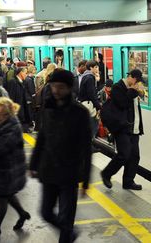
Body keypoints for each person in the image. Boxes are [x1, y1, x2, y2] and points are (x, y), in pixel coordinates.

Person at [30, 69, 92, 243]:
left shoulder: (80, 113)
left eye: (60, 87)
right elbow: (41, 138)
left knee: (66, 218)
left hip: (69, 173)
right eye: (53, 86)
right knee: (45, 212)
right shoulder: (48, 107)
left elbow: (86, 148)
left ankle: (67, 235)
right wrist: (33, 164)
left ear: (70, 88)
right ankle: (69, 233)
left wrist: (85, 181)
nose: (56, 90)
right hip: (48, 170)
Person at [0, 97, 30, 243]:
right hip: (1, 168)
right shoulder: (0, 123)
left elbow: (0, 148)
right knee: (7, 195)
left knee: (3, 196)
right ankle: (22, 214)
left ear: (7, 115)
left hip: (10, 169)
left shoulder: (14, 127)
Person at [100, 69, 145, 190]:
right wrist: (133, 90)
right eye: (137, 81)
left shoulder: (133, 90)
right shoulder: (117, 87)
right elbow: (123, 103)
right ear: (131, 77)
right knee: (124, 154)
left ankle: (128, 181)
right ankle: (106, 174)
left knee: (134, 156)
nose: (137, 84)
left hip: (134, 128)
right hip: (121, 127)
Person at [77, 60, 102, 137]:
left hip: (83, 104)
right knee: (93, 127)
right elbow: (92, 94)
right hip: (89, 105)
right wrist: (98, 107)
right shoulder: (90, 78)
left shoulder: (85, 76)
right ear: (91, 68)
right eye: (96, 67)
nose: (97, 69)